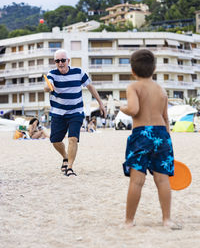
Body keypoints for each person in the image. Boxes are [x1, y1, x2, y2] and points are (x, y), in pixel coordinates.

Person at [120, 49, 181, 230]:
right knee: (162, 180)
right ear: (154, 68)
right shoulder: (161, 90)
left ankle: (129, 221)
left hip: (142, 135)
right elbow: (165, 117)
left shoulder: (134, 87)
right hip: (162, 135)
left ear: (132, 70)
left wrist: (121, 107)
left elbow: (134, 109)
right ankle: (167, 220)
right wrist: (167, 140)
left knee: (137, 180)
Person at [44, 49, 106, 177]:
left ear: (68, 61)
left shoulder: (78, 72)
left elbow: (90, 87)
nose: (60, 63)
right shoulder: (52, 74)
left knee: (73, 139)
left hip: (75, 111)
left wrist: (100, 103)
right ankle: (65, 157)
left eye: (63, 60)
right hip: (58, 113)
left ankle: (70, 167)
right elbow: (47, 85)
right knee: (55, 140)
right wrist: (48, 87)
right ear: (55, 62)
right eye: (57, 61)